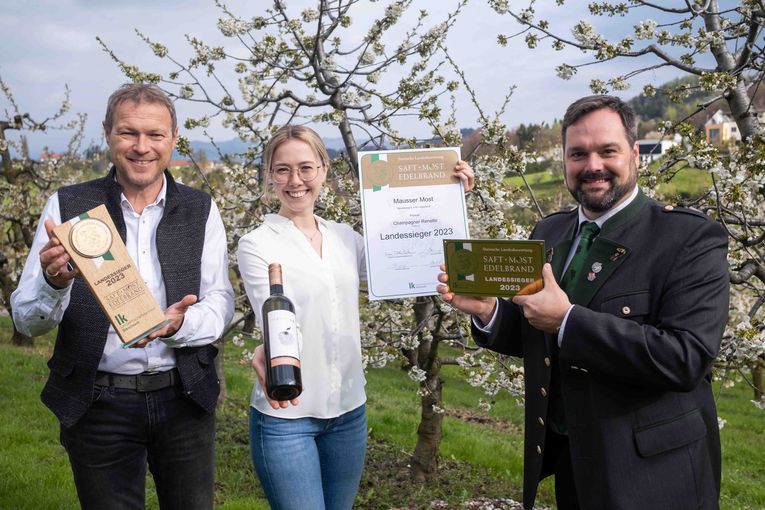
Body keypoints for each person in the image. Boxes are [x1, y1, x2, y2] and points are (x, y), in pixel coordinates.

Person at [437, 95, 729, 510]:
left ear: (634, 155)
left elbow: (685, 357)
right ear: (565, 162)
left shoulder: (688, 239)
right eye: (578, 154)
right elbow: (538, 331)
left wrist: (569, 320)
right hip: (575, 464)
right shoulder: (551, 232)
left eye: (607, 150)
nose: (592, 165)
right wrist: (488, 311)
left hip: (654, 475)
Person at [11, 83, 235, 509]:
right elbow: (25, 320)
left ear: (173, 138)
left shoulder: (200, 208)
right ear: (107, 133)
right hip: (98, 403)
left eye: (155, 135)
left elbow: (220, 301)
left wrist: (180, 324)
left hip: (184, 398)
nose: (141, 147)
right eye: (128, 132)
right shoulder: (69, 206)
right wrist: (53, 283)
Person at [237, 124, 474, 509]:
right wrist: (267, 349)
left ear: (324, 169)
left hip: (349, 412)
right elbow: (278, 320)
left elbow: (416, 256)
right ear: (270, 175)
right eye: (282, 170)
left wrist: (450, 201)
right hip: (287, 415)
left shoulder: (346, 237)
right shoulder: (256, 245)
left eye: (305, 168)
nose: (295, 180)